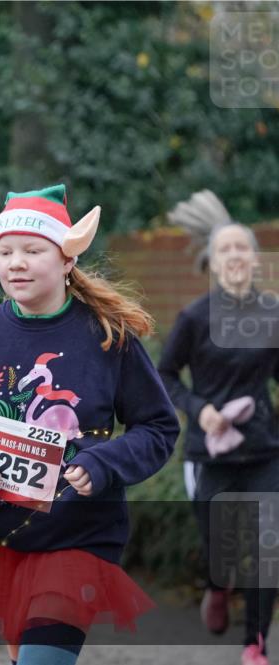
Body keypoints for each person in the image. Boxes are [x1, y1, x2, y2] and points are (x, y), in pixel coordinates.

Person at [0, 184, 179, 665]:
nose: (17, 263)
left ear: (67, 260)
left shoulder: (107, 336)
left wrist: (104, 464)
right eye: (6, 252)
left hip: (82, 536)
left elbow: (158, 428)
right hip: (6, 541)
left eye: (33, 251)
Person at [158, 198, 279, 665]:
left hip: (263, 451)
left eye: (241, 248)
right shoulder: (194, 318)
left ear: (253, 259)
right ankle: (217, 581)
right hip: (208, 454)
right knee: (221, 546)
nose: (233, 256)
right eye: (224, 249)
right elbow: (165, 375)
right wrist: (199, 408)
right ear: (213, 261)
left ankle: (256, 644)